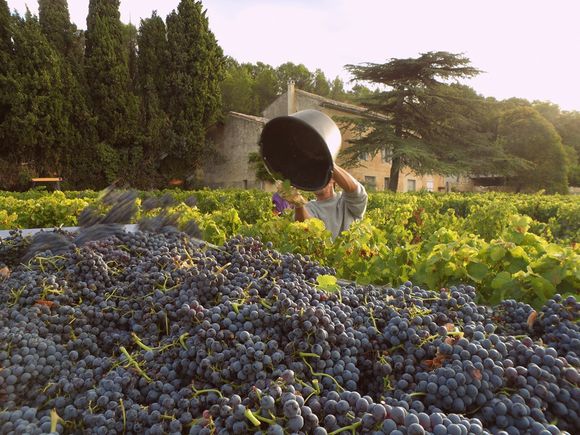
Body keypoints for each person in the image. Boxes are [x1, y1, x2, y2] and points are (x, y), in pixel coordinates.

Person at [280, 164, 368, 239]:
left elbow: (356, 191)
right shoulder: (309, 207)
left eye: (321, 175)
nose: (316, 180)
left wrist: (329, 163)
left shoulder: (346, 202)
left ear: (333, 179)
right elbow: (306, 228)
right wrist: (299, 205)